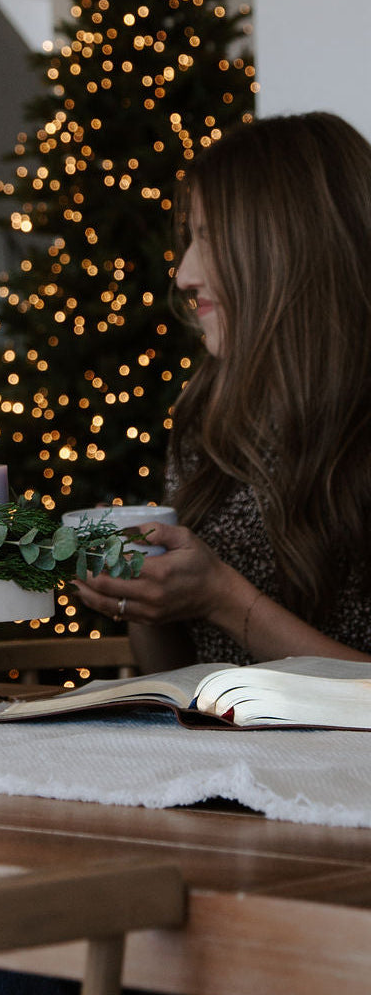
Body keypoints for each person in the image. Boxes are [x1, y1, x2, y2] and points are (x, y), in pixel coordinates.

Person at [74, 111, 371, 672]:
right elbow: (176, 676)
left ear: (286, 250)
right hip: (212, 754)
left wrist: (223, 597)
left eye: (208, 241)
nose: (183, 274)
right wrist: (142, 590)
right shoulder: (211, 416)